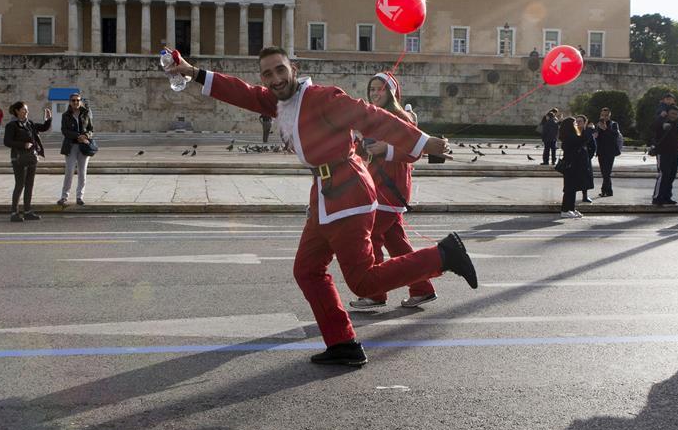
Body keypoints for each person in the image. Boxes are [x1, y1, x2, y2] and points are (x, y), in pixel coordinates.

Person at [166, 46, 477, 366]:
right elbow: (241, 93)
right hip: (326, 196)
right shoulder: (281, 102)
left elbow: (370, 116)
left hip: (348, 193)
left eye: (280, 70)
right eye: (268, 74)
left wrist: (424, 142)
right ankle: (343, 342)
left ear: (294, 70)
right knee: (307, 270)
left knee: (363, 281)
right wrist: (193, 72)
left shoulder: (320, 97)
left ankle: (443, 255)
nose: (274, 78)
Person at [349, 72, 437, 311]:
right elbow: (366, 153)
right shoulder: (374, 118)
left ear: (391, 93)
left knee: (371, 240)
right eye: (372, 90)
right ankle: (422, 289)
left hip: (389, 189)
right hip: (379, 188)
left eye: (380, 89)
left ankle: (376, 292)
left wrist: (386, 150)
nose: (375, 94)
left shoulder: (400, 118)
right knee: (398, 245)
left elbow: (414, 152)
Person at [4, 101, 52, 222]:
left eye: (27, 110)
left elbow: (43, 128)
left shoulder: (29, 123)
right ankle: (14, 212)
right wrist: (22, 144)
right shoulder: (12, 125)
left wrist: (48, 120)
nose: (26, 112)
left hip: (31, 157)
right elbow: (7, 141)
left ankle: (27, 211)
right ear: (17, 111)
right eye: (24, 110)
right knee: (20, 184)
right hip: (19, 158)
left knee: (29, 185)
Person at [58, 92, 94, 207]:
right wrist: (77, 136)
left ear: (80, 101)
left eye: (77, 100)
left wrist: (86, 136)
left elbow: (91, 129)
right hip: (71, 146)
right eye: (73, 100)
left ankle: (80, 197)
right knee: (69, 172)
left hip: (83, 146)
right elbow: (64, 131)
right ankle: (64, 197)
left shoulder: (86, 113)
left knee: (82, 173)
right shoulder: (66, 115)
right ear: (70, 102)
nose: (75, 102)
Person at [651, 105, 678, 206]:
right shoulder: (661, 122)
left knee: (671, 176)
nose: (674, 116)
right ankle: (657, 198)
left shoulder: (676, 124)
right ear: (667, 113)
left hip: (674, 153)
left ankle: (666, 197)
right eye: (672, 113)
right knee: (663, 175)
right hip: (663, 153)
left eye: (676, 114)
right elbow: (653, 127)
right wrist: (661, 118)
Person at [557, 117, 591, 218]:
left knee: (573, 188)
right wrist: (586, 129)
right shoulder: (569, 136)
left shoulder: (572, 135)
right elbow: (583, 139)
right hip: (570, 166)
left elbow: (582, 140)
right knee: (569, 189)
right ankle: (565, 210)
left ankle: (571, 208)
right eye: (575, 123)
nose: (577, 124)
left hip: (574, 166)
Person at [594, 107, 622, 197]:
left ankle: (605, 191)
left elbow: (615, 135)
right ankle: (608, 191)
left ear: (609, 115)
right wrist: (595, 134)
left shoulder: (614, 124)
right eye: (602, 115)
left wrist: (606, 129)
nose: (604, 117)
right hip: (601, 151)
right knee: (604, 172)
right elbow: (596, 137)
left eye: (606, 115)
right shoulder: (598, 124)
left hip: (610, 151)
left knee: (607, 172)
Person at [575, 115, 596, 203]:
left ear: (584, 123)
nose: (578, 123)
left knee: (586, 178)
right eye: (577, 121)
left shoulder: (587, 132)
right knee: (574, 179)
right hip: (575, 159)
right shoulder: (574, 132)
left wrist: (588, 156)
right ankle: (572, 196)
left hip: (585, 159)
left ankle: (585, 196)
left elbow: (593, 146)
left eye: (580, 121)